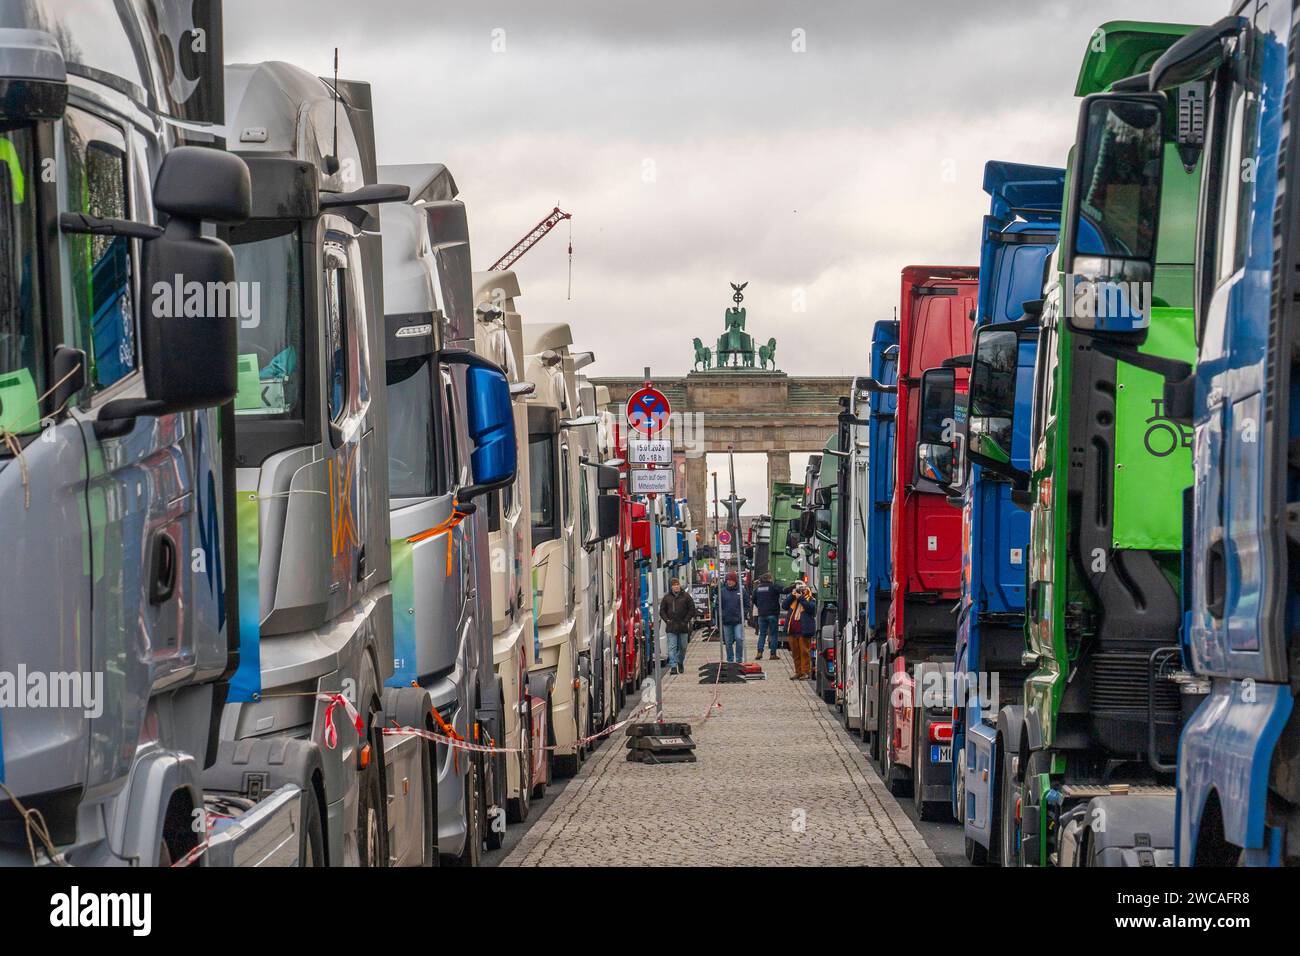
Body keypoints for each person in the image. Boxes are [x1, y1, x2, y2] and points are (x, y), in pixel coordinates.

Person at [659, 578, 698, 674]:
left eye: (677, 584)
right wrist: (667, 620)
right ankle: (673, 666)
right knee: (672, 647)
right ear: (671, 587)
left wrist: (686, 620)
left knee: (683, 647)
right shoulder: (666, 598)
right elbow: (662, 611)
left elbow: (692, 609)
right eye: (674, 585)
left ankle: (680, 662)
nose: (676, 586)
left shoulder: (686, 596)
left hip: (683, 626)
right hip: (671, 627)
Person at [782, 581, 817, 680]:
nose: (801, 591)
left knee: (804, 652)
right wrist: (792, 596)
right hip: (792, 631)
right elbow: (784, 606)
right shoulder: (793, 600)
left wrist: (801, 598)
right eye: (799, 589)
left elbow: (811, 609)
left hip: (804, 631)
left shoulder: (810, 599)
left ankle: (805, 672)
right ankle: (798, 672)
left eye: (803, 589)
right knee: (795, 653)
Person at [718, 570, 751, 663]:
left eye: (731, 580)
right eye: (728, 580)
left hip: (738, 621)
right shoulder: (722, 592)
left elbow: (747, 605)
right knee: (728, 642)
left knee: (739, 638)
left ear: (735, 580)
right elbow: (718, 605)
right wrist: (722, 615)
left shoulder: (742, 591)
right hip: (726, 621)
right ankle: (730, 660)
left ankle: (739, 659)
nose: (729, 581)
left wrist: (743, 615)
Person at [752, 572, 782, 660]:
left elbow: (753, 599)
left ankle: (759, 652)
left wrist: (760, 606)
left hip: (762, 614)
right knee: (773, 634)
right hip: (772, 614)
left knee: (762, 634)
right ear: (769, 579)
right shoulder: (773, 587)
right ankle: (773, 654)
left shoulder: (758, 589)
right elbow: (783, 590)